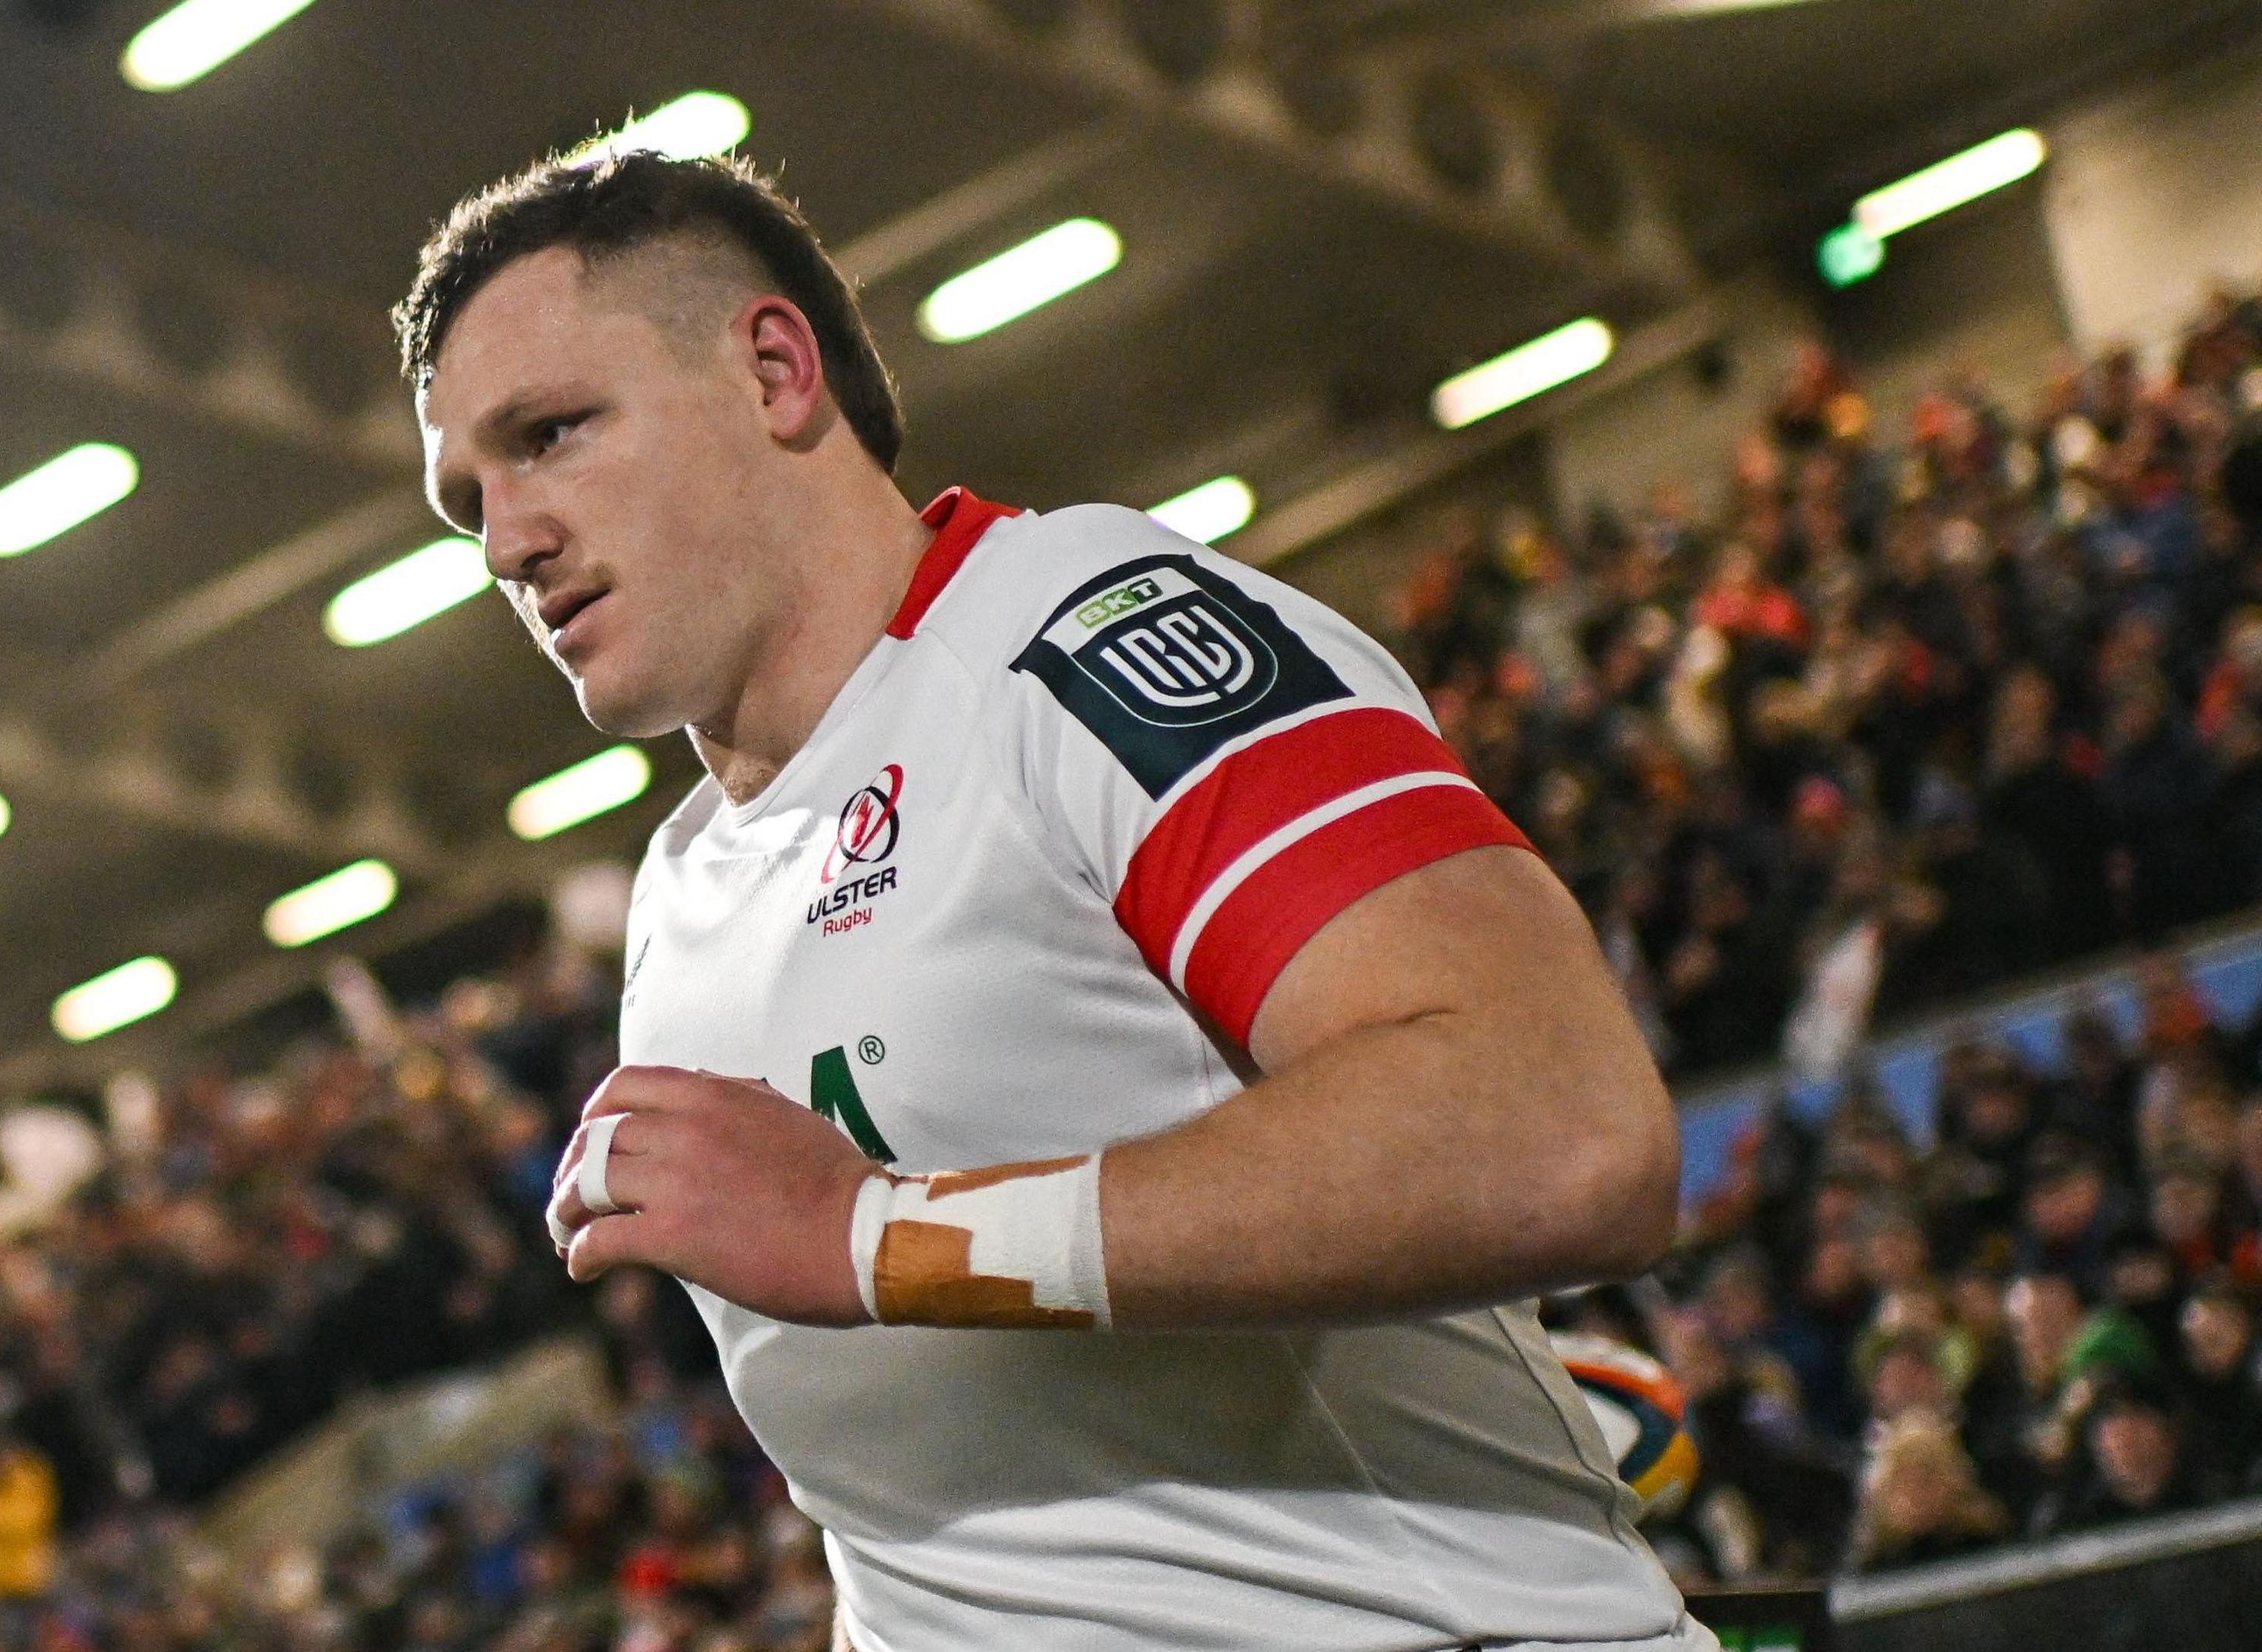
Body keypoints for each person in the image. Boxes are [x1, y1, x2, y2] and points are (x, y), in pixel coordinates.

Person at [395, 150, 1698, 1650]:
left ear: (771, 369)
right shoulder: (683, 894)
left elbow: (1558, 1131)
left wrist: (876, 1238)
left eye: (551, 434)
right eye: (466, 503)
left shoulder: (1076, 637)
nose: (505, 541)